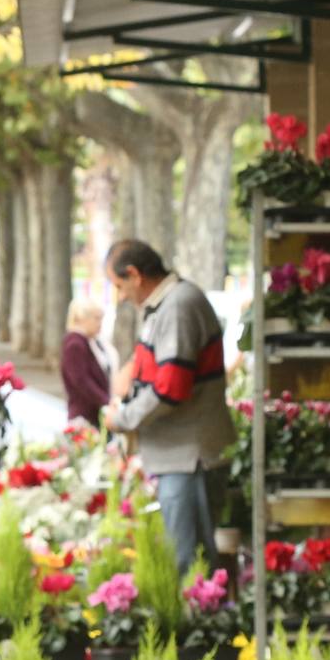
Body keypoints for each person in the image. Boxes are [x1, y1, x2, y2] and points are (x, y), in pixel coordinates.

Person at [102, 239, 232, 577]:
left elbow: (171, 388)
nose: (121, 296)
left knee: (190, 563)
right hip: (181, 456)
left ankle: (201, 626)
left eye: (119, 286)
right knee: (187, 557)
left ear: (135, 274)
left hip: (190, 457)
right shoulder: (167, 304)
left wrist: (123, 418)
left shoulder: (178, 305)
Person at [60, 299, 115, 428]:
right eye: (96, 319)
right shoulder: (75, 344)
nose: (100, 324)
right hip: (84, 417)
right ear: (81, 318)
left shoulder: (91, 341)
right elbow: (81, 382)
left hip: (94, 414)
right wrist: (106, 402)